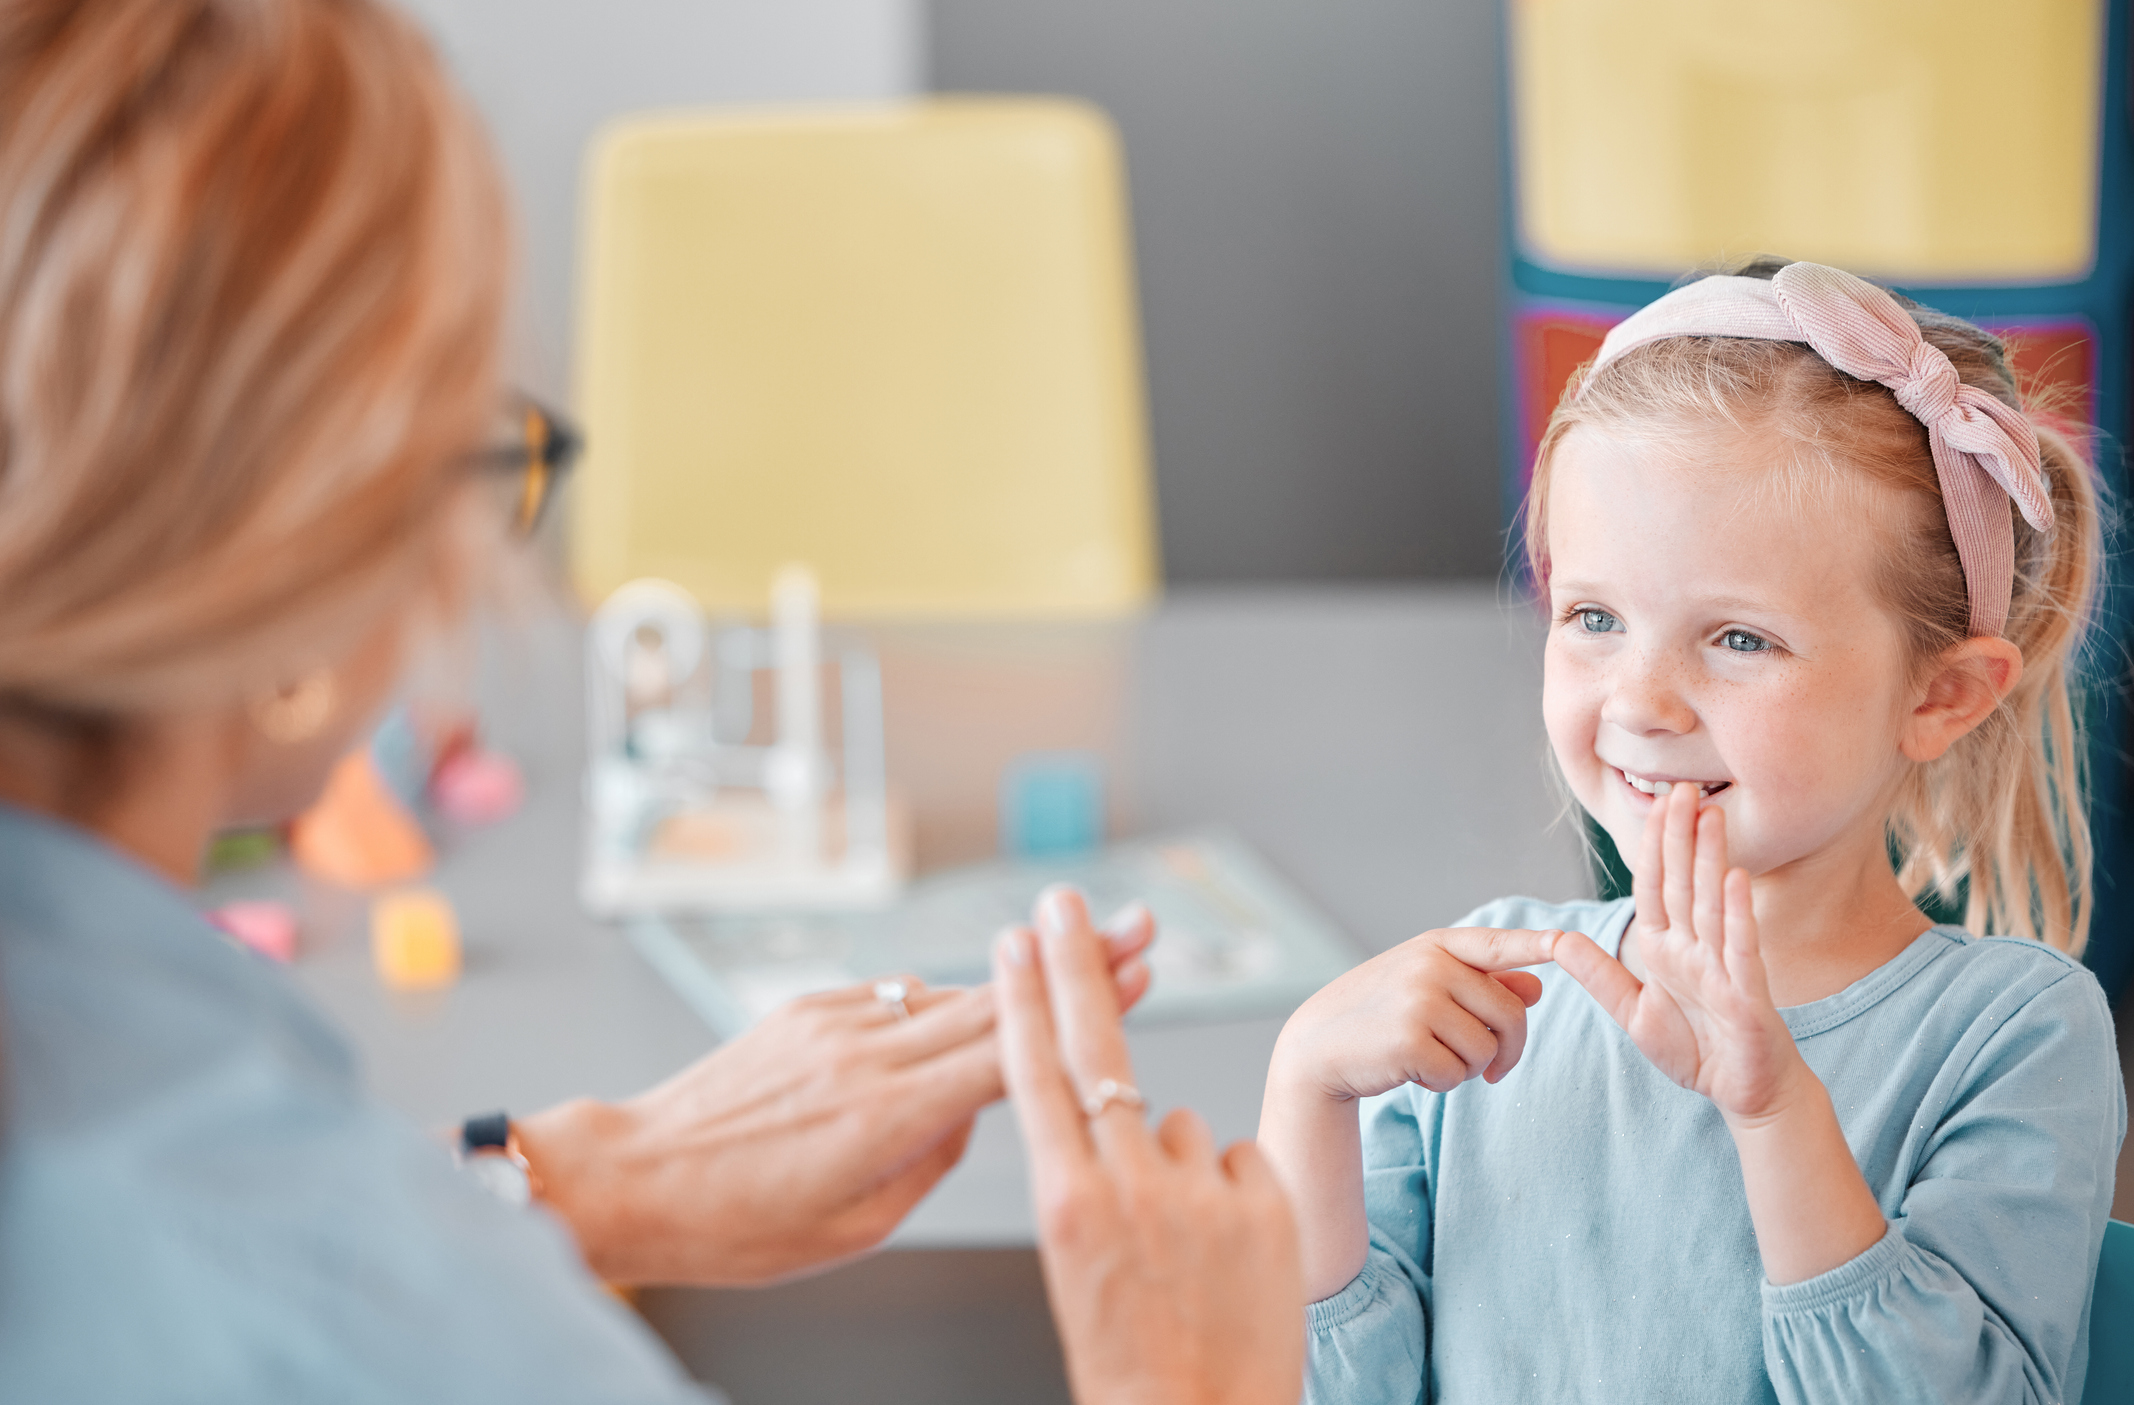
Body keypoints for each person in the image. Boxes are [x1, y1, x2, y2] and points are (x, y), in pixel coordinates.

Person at [0, 1, 1302, 1399]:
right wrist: (1184, 1376)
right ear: (300, 543)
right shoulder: (404, 1325)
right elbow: (285, 1283)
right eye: (477, 459)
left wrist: (575, 1175)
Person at [1258, 259, 2127, 1403]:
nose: (1639, 702)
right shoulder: (1486, 995)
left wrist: (1772, 1110)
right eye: (1594, 618)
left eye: (1739, 640)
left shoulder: (2015, 1034)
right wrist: (1303, 1094)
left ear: (1940, 697)